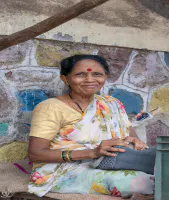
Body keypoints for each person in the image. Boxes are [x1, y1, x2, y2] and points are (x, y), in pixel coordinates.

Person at [27, 55, 155, 197]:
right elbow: (35, 153)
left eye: (97, 74)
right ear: (65, 78)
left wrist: (135, 142)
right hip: (67, 170)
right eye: (80, 74)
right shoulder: (51, 107)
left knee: (165, 168)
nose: (90, 79)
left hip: (115, 162)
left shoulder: (112, 103)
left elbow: (130, 137)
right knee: (142, 182)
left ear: (105, 76)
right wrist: (92, 153)